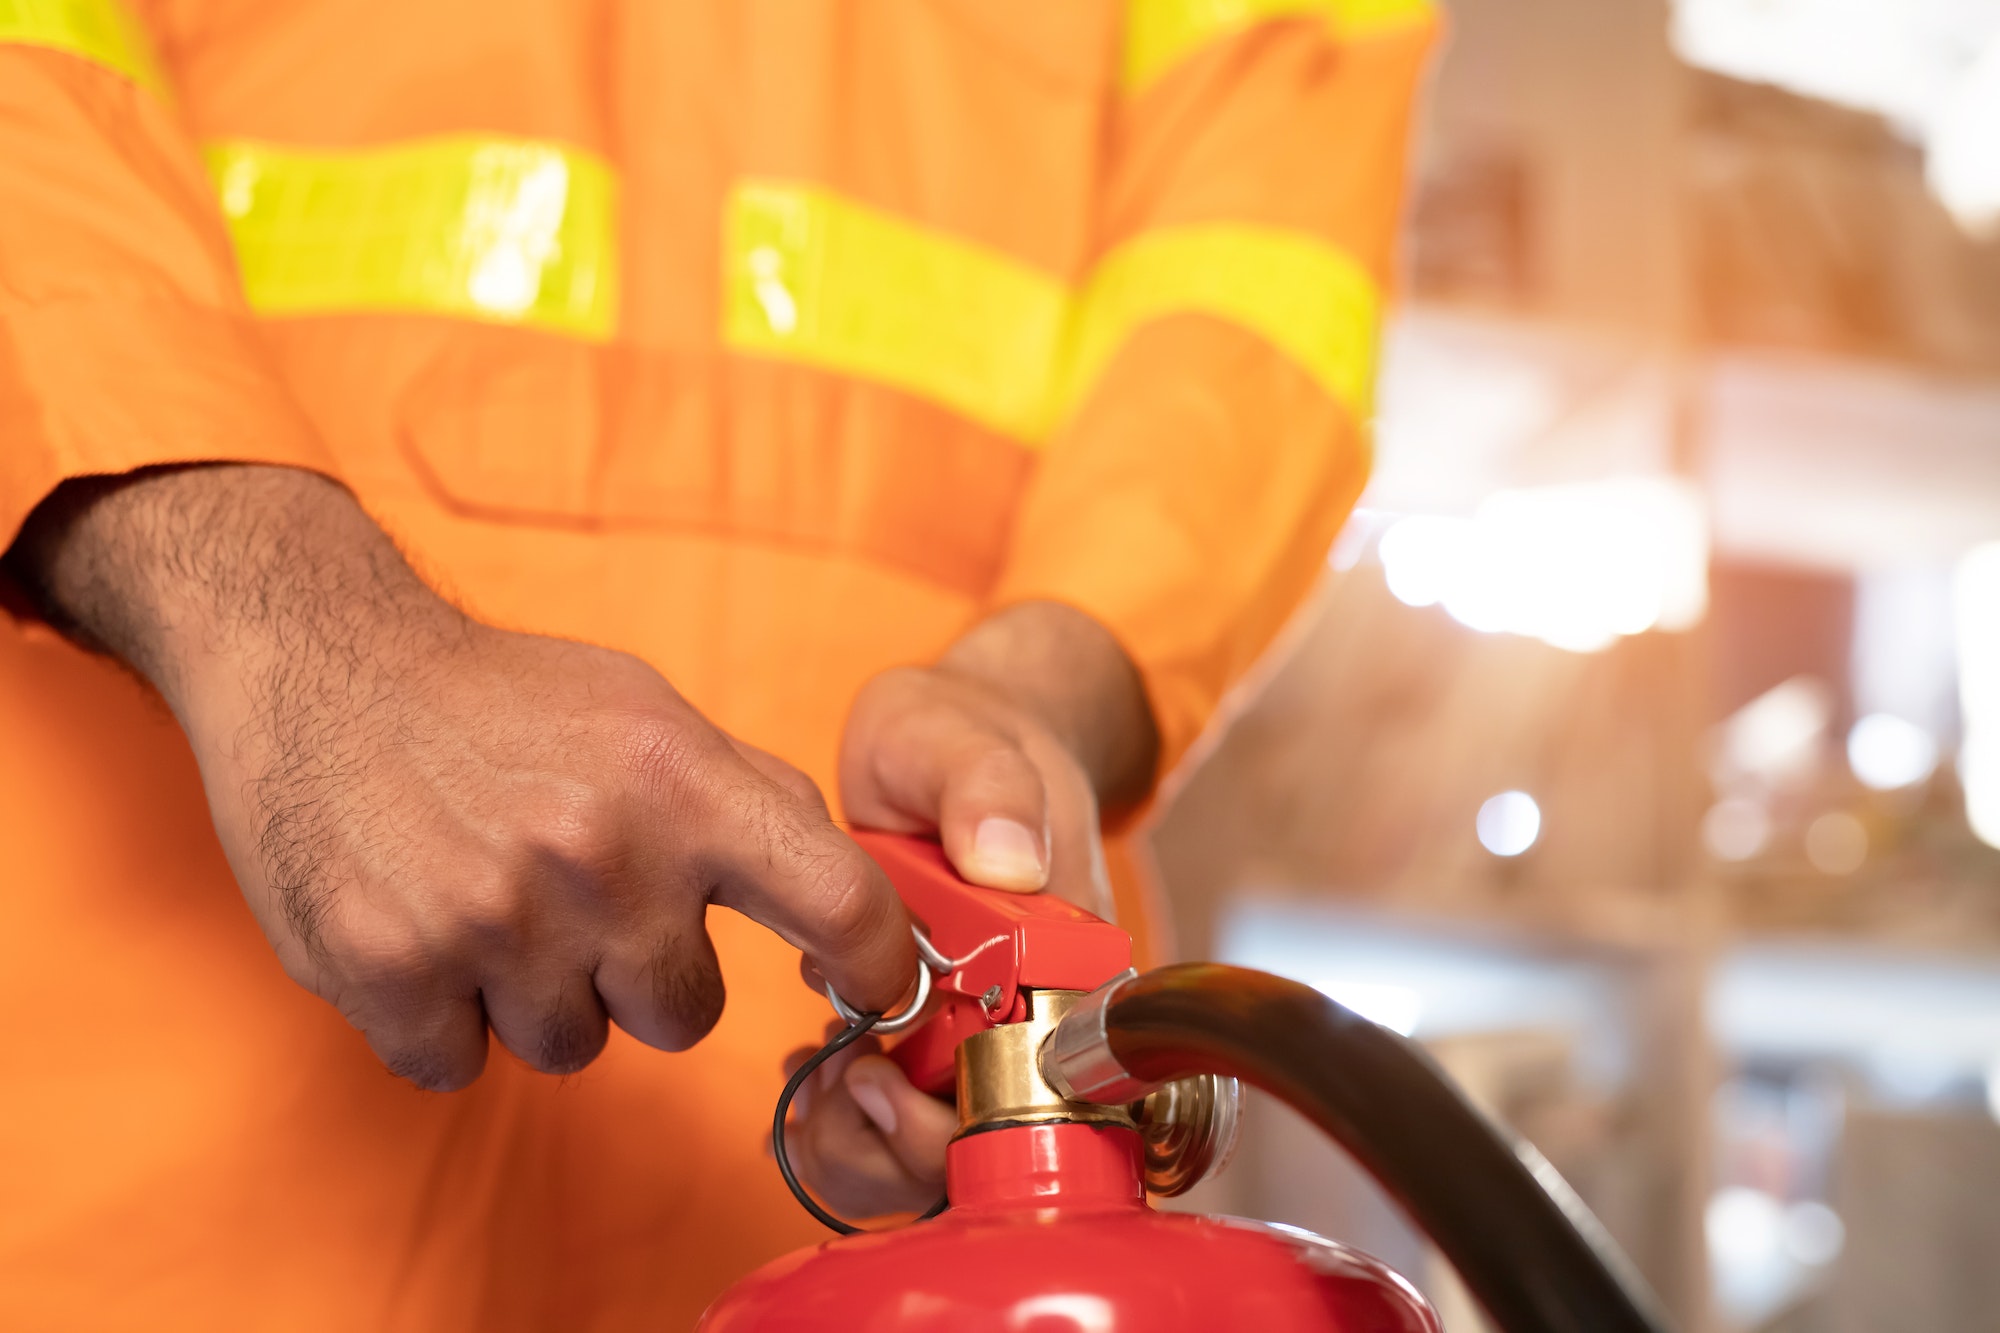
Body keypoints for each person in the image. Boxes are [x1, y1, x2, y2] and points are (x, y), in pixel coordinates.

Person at [0, 0, 1435, 1326]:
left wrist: (1044, 687)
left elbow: (1257, 246)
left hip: (888, 1173)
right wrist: (277, 615)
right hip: (142, 1091)